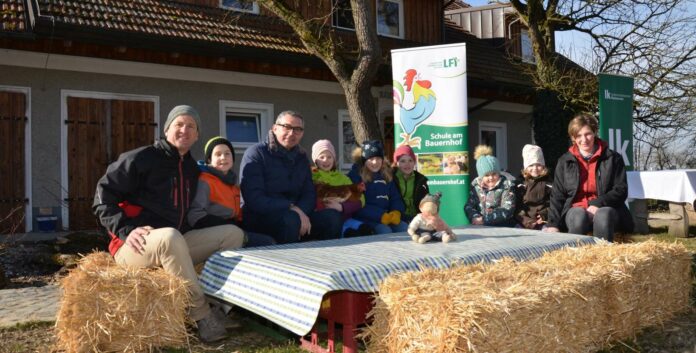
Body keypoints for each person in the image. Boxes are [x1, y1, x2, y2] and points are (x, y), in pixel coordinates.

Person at [93, 105, 244, 343]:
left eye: (191, 126)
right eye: (179, 124)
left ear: (197, 136)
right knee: (171, 237)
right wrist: (126, 230)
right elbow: (102, 196)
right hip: (134, 245)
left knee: (233, 235)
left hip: (173, 244)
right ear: (166, 129)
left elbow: (213, 179)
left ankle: (218, 305)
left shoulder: (193, 168)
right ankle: (201, 314)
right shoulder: (140, 159)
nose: (184, 130)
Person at [239, 111, 343, 244]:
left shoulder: (301, 157)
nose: (292, 133)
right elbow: (254, 198)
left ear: (302, 133)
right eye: (286, 127)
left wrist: (300, 211)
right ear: (274, 128)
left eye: (297, 129)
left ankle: (326, 261)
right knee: (290, 219)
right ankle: (290, 262)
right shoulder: (256, 154)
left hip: (296, 216)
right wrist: (291, 208)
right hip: (262, 219)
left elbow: (309, 193)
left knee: (332, 217)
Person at [544, 114, 633, 240]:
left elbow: (621, 189)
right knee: (578, 216)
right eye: (578, 136)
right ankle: (577, 256)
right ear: (573, 138)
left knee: (603, 215)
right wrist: (553, 224)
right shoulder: (564, 161)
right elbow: (557, 195)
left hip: (606, 208)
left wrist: (598, 204)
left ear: (595, 132)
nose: (584, 139)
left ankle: (603, 256)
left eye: (588, 134)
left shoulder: (613, 158)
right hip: (575, 209)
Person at [187, 136, 275, 247]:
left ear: (232, 158)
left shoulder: (232, 183)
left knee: (269, 235)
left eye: (227, 153)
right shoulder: (205, 181)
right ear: (209, 160)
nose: (223, 157)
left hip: (233, 229)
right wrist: (228, 225)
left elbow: (237, 215)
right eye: (218, 154)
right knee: (267, 243)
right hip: (213, 233)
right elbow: (195, 216)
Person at [310, 139, 372, 237]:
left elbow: (361, 199)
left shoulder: (343, 178)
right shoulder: (313, 177)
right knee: (350, 234)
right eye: (322, 157)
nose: (326, 160)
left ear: (334, 159)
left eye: (329, 157)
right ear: (315, 160)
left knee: (367, 231)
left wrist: (342, 207)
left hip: (347, 217)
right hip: (328, 220)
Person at [348, 140, 408, 234]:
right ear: (364, 160)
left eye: (378, 158)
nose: (375, 162)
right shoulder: (356, 176)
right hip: (366, 219)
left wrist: (396, 211)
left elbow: (395, 197)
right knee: (385, 231)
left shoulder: (386, 175)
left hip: (388, 217)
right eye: (371, 159)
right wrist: (380, 216)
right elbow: (358, 204)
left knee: (404, 228)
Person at [464, 145, 516, 227]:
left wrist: (484, 219)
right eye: (487, 175)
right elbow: (469, 206)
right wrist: (475, 217)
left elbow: (507, 209)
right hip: (481, 227)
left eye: (494, 174)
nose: (491, 178)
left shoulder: (506, 186)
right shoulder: (476, 187)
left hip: (503, 227)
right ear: (481, 176)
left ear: (498, 173)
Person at [515, 144, 552, 230]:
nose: (535, 168)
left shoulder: (549, 184)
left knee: (548, 233)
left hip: (543, 220)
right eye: (531, 165)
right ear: (526, 167)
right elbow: (517, 206)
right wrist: (526, 220)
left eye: (538, 165)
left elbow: (553, 203)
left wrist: (544, 214)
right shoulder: (521, 184)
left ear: (543, 166)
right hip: (524, 220)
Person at [392, 145, 429, 222]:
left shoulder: (420, 179)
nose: (407, 164)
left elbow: (425, 200)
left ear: (414, 162)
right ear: (396, 163)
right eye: (402, 161)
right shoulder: (391, 178)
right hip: (398, 217)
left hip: (417, 217)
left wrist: (431, 203)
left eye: (410, 160)